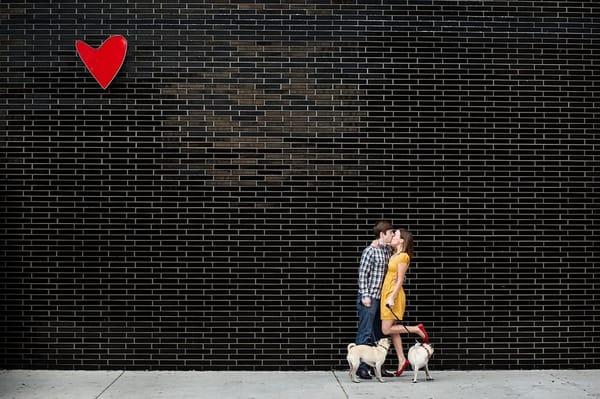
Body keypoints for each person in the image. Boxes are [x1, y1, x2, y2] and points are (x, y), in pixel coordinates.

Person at [379, 229, 430, 376]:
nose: (393, 237)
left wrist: (392, 297)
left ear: (402, 240)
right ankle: (402, 360)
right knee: (394, 329)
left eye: (396, 235)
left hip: (392, 296)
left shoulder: (403, 257)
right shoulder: (394, 254)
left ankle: (416, 329)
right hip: (387, 293)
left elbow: (400, 279)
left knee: (386, 330)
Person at [354, 220, 395, 380]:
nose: (392, 235)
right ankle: (361, 368)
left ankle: (379, 366)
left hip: (382, 299)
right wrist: (365, 296)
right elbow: (363, 275)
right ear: (382, 234)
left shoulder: (386, 250)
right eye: (390, 232)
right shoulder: (369, 251)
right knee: (365, 332)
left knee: (379, 333)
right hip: (369, 298)